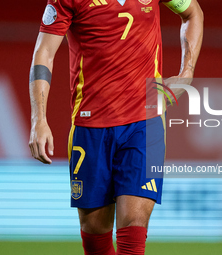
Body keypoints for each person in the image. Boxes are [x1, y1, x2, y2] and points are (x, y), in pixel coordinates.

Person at [29, 0, 203, 254]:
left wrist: (186, 73)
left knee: (133, 228)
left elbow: (192, 12)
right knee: (95, 237)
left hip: (145, 122)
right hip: (91, 127)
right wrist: (39, 119)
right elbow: (43, 52)